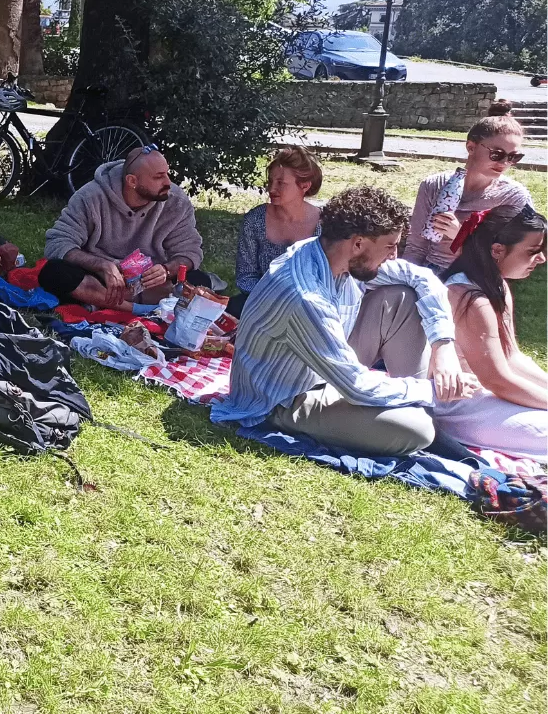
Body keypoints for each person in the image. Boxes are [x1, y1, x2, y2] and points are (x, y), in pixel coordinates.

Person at [212, 187, 478, 457]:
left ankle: (412, 405)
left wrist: (443, 346)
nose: (394, 255)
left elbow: (423, 278)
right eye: (390, 246)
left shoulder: (339, 257)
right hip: (281, 400)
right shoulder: (305, 296)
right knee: (418, 430)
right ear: (359, 243)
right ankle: (418, 410)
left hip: (324, 369)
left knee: (402, 297)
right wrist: (431, 390)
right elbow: (357, 385)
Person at [433, 205, 547, 460]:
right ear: (497, 250)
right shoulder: (470, 298)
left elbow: (513, 357)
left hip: (485, 393)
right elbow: (495, 378)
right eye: (533, 251)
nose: (541, 259)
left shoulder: (495, 285)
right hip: (455, 403)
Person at [39, 145, 214, 310]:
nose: (168, 182)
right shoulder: (91, 197)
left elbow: (190, 253)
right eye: (158, 177)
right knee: (54, 272)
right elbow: (58, 243)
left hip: (153, 281)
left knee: (200, 281)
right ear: (132, 181)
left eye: (167, 174)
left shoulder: (176, 201)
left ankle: (100, 301)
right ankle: (138, 309)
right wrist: (103, 266)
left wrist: (166, 270)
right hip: (102, 279)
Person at [403, 113, 532, 273]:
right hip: (428, 272)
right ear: (471, 147)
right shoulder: (434, 185)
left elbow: (508, 258)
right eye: (497, 154)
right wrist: (404, 278)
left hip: (475, 279)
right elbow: (416, 246)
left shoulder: (514, 197)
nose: (504, 163)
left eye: (513, 157)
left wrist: (461, 236)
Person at [230, 146, 323, 317]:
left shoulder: (324, 223)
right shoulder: (255, 220)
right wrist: (273, 298)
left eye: (281, 183)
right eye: (270, 182)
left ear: (304, 186)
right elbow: (245, 277)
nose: (271, 189)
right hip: (262, 301)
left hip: (310, 306)